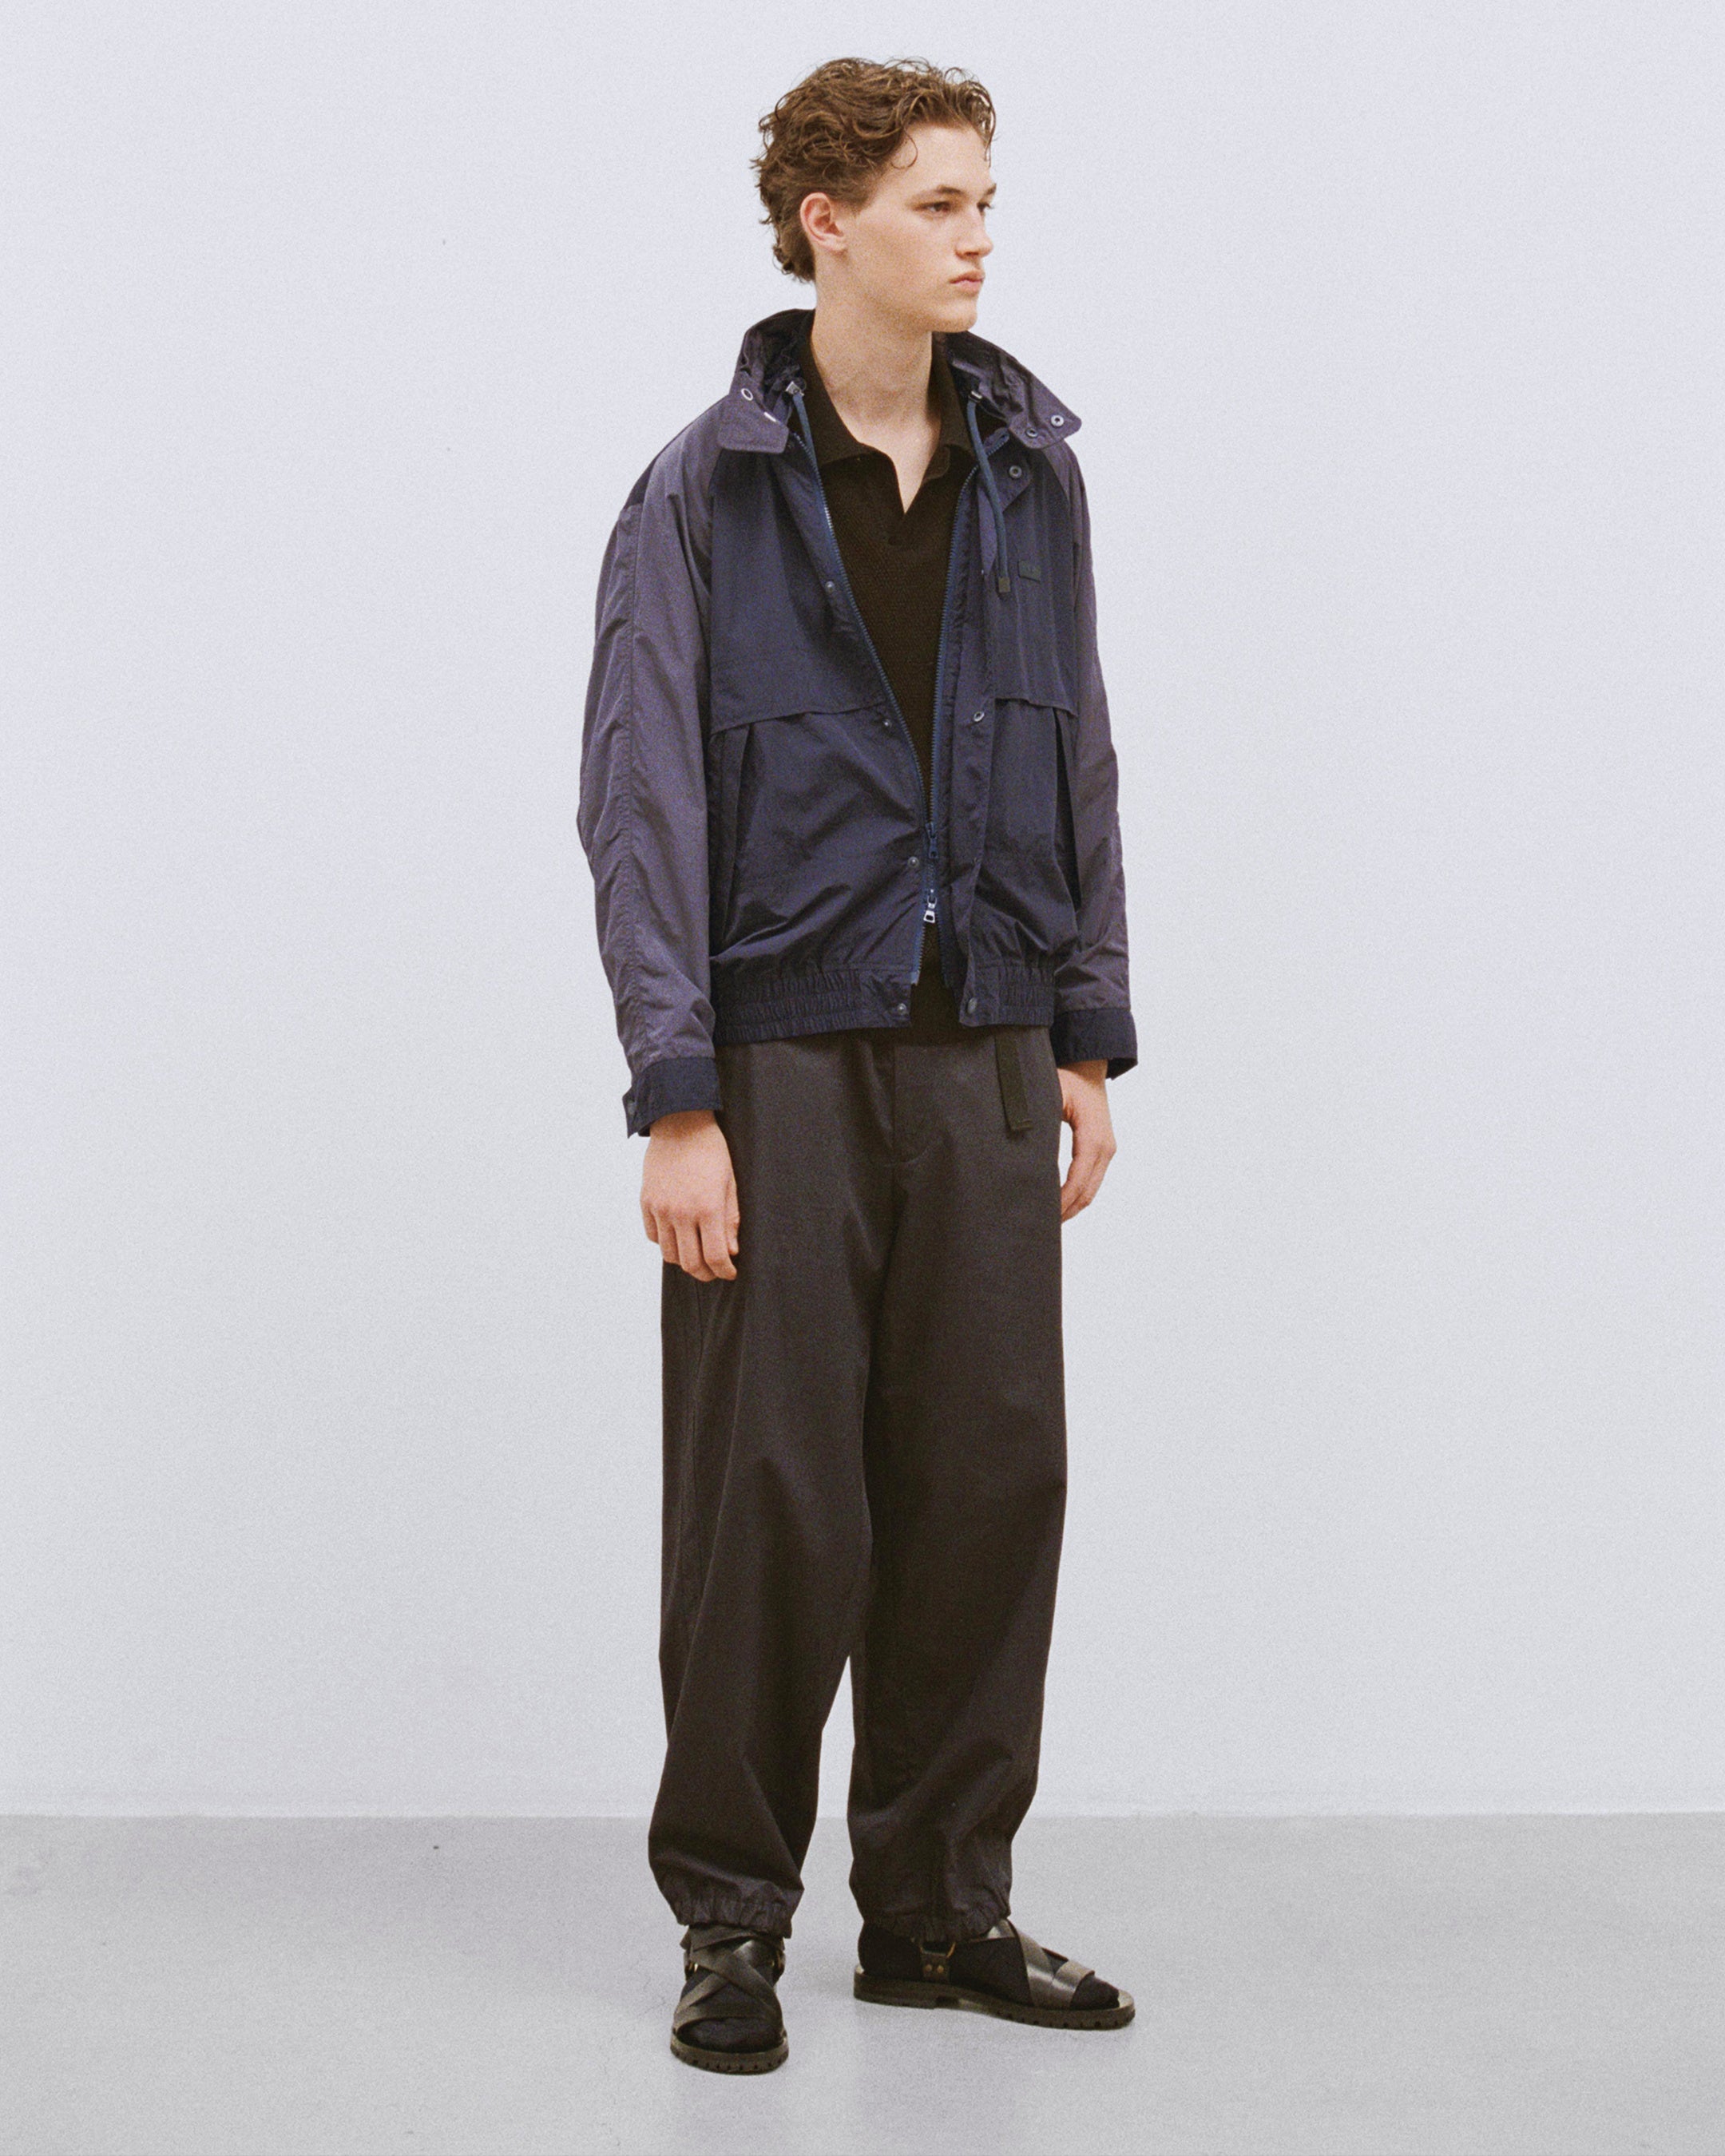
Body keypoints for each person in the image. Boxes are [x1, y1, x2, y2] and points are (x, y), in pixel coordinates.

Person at [578, 55, 1139, 2075]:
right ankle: (733, 1921)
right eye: (936, 202)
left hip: (986, 1045)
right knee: (773, 1503)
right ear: (827, 224)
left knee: (991, 1486)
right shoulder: (705, 488)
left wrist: (1084, 1028)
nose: (978, 237)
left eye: (986, 200)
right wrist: (680, 1092)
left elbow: (1078, 749)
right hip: (782, 1062)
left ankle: (939, 1914)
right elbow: (640, 797)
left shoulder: (1030, 474)